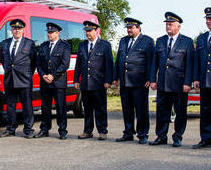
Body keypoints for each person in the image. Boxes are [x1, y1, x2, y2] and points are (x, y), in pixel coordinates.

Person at [149, 12, 194, 147]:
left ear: (178, 26)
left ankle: (177, 136)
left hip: (179, 84)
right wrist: (152, 79)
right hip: (163, 83)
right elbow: (154, 63)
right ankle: (161, 136)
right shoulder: (161, 40)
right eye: (167, 24)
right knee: (162, 112)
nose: (168, 27)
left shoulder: (187, 41)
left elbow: (190, 64)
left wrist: (187, 82)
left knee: (180, 112)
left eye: (171, 24)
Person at [113, 17, 154, 145]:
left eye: (131, 27)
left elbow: (151, 62)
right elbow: (119, 59)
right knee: (127, 109)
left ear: (138, 28)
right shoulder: (124, 41)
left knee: (141, 110)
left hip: (140, 82)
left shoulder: (147, 41)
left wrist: (150, 78)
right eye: (127, 28)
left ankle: (142, 134)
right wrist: (115, 77)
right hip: (125, 81)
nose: (129, 30)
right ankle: (128, 133)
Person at [74, 20, 113, 140]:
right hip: (86, 83)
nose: (88, 33)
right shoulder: (82, 45)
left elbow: (109, 64)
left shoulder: (105, 45)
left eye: (90, 31)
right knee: (87, 109)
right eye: (86, 31)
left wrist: (108, 80)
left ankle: (102, 131)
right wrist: (76, 79)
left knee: (100, 108)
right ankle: (87, 131)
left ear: (96, 31)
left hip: (99, 83)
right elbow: (78, 64)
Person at [0, 19, 37, 139]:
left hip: (24, 79)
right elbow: (2, 59)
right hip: (9, 79)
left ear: (23, 30)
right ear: (11, 30)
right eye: (14, 28)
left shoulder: (29, 44)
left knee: (27, 106)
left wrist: (27, 74)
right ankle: (10, 129)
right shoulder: (5, 43)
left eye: (19, 28)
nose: (16, 30)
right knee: (10, 106)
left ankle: (28, 130)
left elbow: (33, 62)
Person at [35, 22, 71, 140]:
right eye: (48, 32)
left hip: (58, 82)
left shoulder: (64, 46)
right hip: (45, 82)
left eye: (51, 32)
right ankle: (44, 129)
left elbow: (65, 64)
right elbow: (38, 63)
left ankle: (62, 130)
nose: (49, 34)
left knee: (61, 108)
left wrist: (53, 76)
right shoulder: (44, 46)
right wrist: (43, 75)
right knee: (45, 107)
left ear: (57, 33)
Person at [192, 7, 211, 149]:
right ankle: (205, 138)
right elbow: (197, 60)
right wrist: (196, 78)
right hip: (205, 80)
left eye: (210, 19)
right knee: (204, 110)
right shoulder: (202, 38)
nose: (209, 21)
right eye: (207, 19)